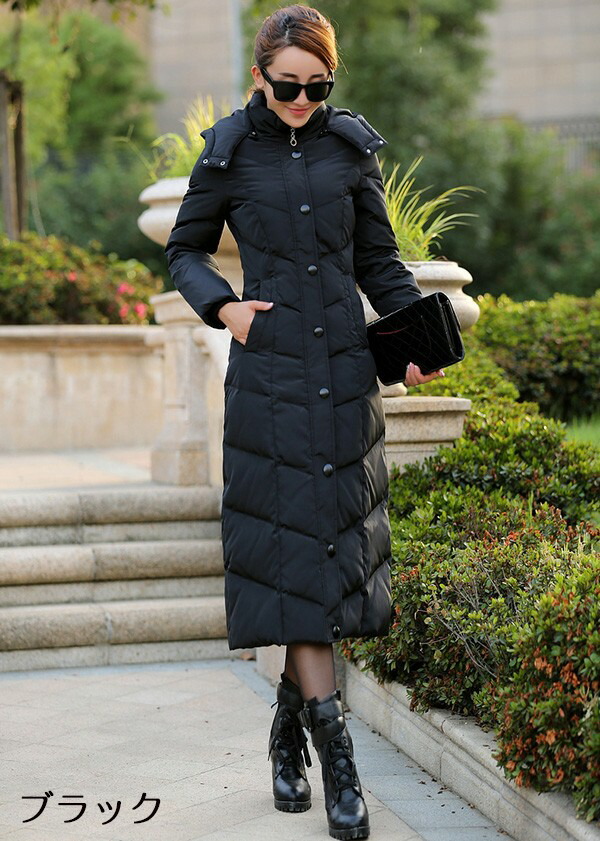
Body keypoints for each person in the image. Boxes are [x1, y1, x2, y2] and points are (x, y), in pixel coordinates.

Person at [165, 5, 444, 839]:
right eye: (287, 85)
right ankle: (339, 762)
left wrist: (412, 340)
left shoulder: (350, 149)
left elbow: (379, 262)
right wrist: (224, 308)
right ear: (259, 75)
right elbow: (184, 249)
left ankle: (288, 731)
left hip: (345, 379)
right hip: (271, 378)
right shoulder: (228, 150)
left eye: (317, 87)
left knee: (328, 563)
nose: (301, 101)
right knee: (294, 559)